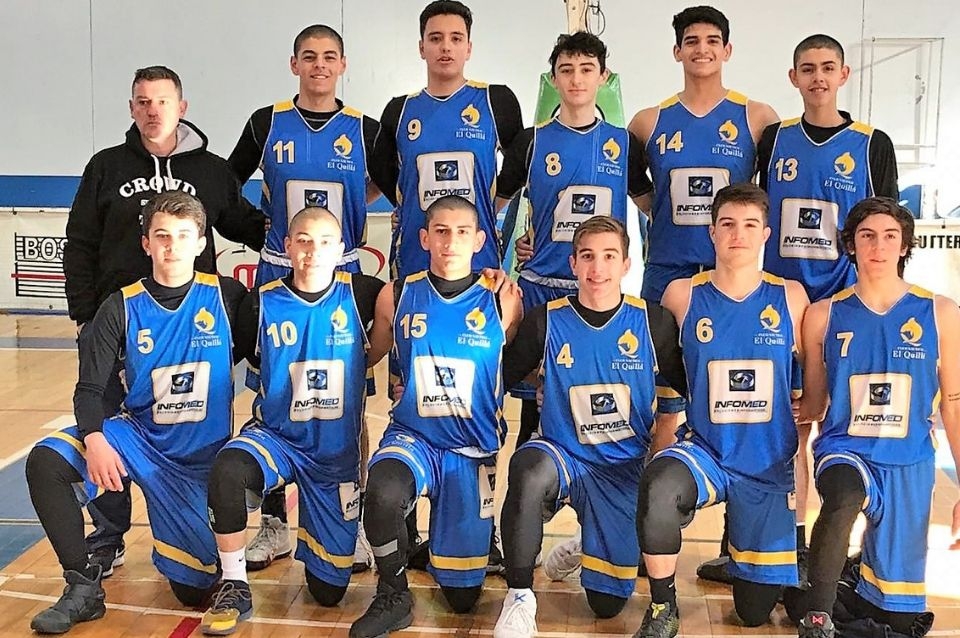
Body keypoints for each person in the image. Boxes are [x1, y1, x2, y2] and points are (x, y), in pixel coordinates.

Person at [61, 66, 264, 577]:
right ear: (132, 108)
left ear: (182, 107)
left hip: (191, 327)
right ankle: (108, 537)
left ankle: (206, 515)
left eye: (162, 101)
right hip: (119, 324)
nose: (153, 111)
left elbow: (247, 225)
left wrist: (306, 240)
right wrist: (85, 315)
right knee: (106, 427)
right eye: (143, 102)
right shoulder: (106, 166)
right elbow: (79, 242)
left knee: (191, 424)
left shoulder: (211, 171)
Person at [26, 191, 247, 634]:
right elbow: (89, 389)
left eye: (183, 235)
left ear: (201, 243)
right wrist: (95, 438)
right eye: (161, 235)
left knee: (194, 588)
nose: (172, 245)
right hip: (140, 438)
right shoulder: (119, 306)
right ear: (146, 243)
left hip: (199, 461)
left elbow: (267, 360)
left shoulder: (229, 297)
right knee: (46, 462)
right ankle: (82, 587)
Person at [626, 5, 780, 583]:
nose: (702, 49)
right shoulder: (648, 122)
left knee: (745, 405)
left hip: (735, 280)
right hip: (668, 274)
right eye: (691, 40)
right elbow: (641, 192)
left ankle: (742, 545)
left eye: (713, 40)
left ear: (727, 50)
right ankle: (649, 535)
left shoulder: (757, 117)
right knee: (663, 403)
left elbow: (765, 195)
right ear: (677, 51)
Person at [227, 23, 382, 574]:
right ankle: (273, 524)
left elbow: (398, 185)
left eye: (329, 56)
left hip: (341, 273)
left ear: (343, 65)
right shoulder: (266, 122)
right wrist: (260, 230)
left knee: (349, 403)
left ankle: (352, 518)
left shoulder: (365, 129)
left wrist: (354, 208)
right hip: (279, 271)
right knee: (271, 398)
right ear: (294, 64)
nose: (319, 65)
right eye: (309, 56)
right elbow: (225, 184)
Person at [492, 217, 685, 638]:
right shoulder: (546, 321)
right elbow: (497, 378)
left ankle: (589, 545)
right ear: (573, 264)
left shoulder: (653, 323)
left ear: (626, 264)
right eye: (588, 256)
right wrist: (503, 327)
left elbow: (692, 387)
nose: (598, 268)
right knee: (527, 470)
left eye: (609, 256)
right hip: (562, 455)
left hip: (621, 470)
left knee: (607, 607)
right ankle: (519, 598)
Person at [632, 184, 809, 638]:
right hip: (706, 451)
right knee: (659, 483)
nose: (738, 234)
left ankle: (757, 559)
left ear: (766, 234)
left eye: (750, 225)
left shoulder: (791, 298)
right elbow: (665, 375)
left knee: (753, 614)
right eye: (727, 224)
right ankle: (663, 607)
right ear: (712, 232)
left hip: (766, 466)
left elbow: (812, 387)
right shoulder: (681, 295)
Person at [199, 208, 385, 635]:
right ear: (286, 246)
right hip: (277, 439)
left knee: (329, 592)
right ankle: (234, 582)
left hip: (333, 456)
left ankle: (340, 535)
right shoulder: (259, 303)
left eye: (324, 242)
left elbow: (415, 300)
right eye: (302, 240)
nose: (312, 251)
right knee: (229, 468)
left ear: (341, 249)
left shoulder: (364, 294)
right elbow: (239, 360)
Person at [349, 195, 522, 637]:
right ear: (424, 238)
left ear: (479, 240)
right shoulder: (397, 293)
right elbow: (366, 357)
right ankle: (393, 593)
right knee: (383, 492)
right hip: (415, 437)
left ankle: (444, 548)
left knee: (463, 600)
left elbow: (520, 364)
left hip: (471, 448)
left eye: (462, 232)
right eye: (441, 231)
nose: (450, 242)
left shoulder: (502, 297)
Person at [758, 34, 899, 574]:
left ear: (844, 75)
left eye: (827, 68)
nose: (818, 77)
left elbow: (885, 226)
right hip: (783, 307)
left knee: (851, 425)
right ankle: (789, 540)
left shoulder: (871, 143)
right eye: (808, 68)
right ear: (793, 77)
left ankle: (852, 545)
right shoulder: (774, 140)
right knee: (788, 427)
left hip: (845, 306)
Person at [795, 197, 960, 638]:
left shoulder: (940, 313)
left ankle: (853, 575)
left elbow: (954, 404)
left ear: (905, 246)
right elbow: (814, 403)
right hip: (845, 450)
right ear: (851, 245)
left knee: (898, 620)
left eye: (890, 236)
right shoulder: (823, 316)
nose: (878, 246)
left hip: (909, 461)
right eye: (867, 236)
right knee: (844, 496)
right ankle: (816, 617)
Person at [496, 31, 653, 449]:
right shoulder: (530, 142)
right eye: (566, 70)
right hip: (541, 289)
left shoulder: (624, 144)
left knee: (595, 403)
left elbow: (650, 205)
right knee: (535, 412)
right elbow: (494, 204)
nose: (576, 79)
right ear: (554, 79)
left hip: (598, 292)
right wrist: (516, 244)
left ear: (603, 76)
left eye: (586, 69)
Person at [369, 0, 523, 278]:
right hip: (414, 257)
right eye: (435, 38)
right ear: (421, 47)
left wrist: (492, 206)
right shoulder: (399, 110)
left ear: (469, 48)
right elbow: (383, 173)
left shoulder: (495, 101)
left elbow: (521, 165)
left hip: (479, 260)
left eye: (456, 38)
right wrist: (405, 206)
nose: (446, 47)